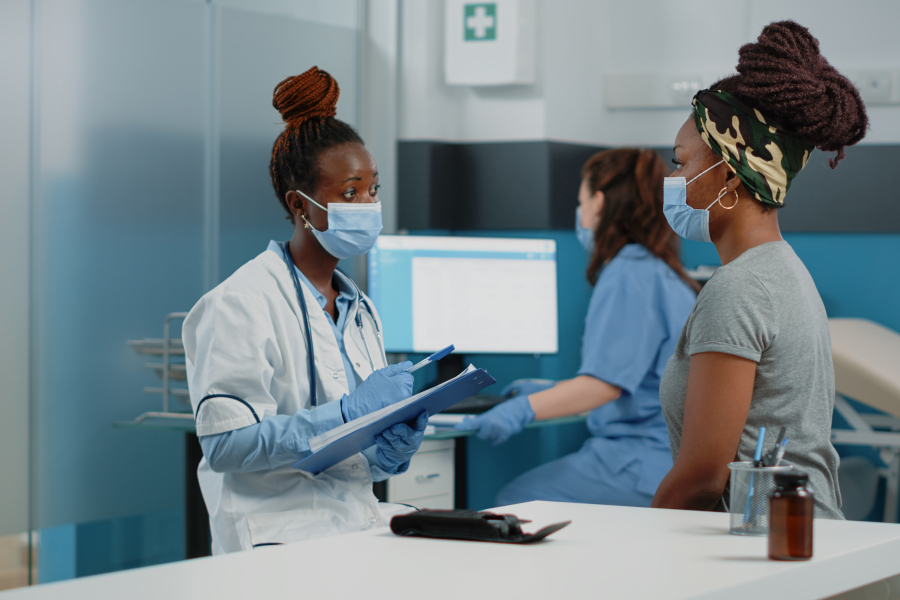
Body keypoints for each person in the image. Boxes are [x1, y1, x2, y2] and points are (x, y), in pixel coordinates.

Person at [183, 67, 427, 553]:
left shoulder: (359, 309)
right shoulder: (241, 303)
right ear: (301, 205)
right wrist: (347, 413)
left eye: (372, 190)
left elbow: (349, 460)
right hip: (275, 541)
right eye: (350, 193)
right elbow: (226, 446)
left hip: (354, 530)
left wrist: (388, 450)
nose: (368, 204)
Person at [652, 21, 868, 518]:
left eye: (681, 162)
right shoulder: (782, 269)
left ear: (728, 173)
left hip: (770, 550)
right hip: (799, 539)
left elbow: (701, 478)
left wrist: (645, 546)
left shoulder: (739, 288)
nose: (672, 178)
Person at [456, 149, 698, 507]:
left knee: (516, 500)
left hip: (639, 461)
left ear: (599, 203)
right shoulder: (662, 273)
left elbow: (604, 387)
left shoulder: (628, 274)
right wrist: (551, 390)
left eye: (581, 201)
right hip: (668, 457)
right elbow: (638, 380)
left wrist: (522, 409)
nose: (580, 213)